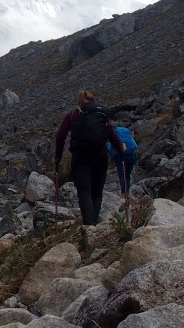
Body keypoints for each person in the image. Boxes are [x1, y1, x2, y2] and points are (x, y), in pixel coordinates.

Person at [54, 90, 125, 226]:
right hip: (100, 155)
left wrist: (57, 157)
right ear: (93, 100)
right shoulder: (101, 114)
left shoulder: (73, 115)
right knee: (97, 192)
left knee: (84, 190)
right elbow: (111, 133)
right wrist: (121, 147)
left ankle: (89, 225)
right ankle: (95, 226)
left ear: (79, 101)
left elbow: (60, 136)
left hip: (80, 156)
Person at [108, 125, 139, 202]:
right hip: (129, 157)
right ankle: (127, 192)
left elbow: (109, 148)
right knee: (127, 175)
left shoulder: (115, 136)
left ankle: (123, 193)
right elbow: (135, 146)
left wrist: (112, 155)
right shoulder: (128, 136)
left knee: (122, 175)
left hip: (118, 157)